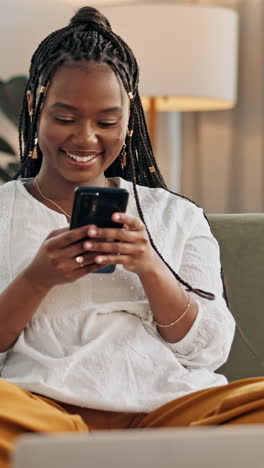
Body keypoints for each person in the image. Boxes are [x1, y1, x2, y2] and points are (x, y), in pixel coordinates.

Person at [0, 5, 264, 467]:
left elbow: (209, 349)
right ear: (34, 108)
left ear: (129, 120)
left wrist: (151, 267)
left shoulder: (176, 216)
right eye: (65, 118)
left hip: (168, 411)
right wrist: (36, 279)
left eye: (106, 122)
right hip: (41, 412)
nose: (85, 138)